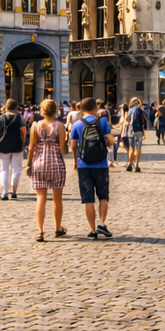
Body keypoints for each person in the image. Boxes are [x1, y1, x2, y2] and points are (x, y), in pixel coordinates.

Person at [69, 97, 113, 239]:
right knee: (103, 196)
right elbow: (111, 140)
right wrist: (108, 143)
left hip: (84, 165)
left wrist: (76, 161)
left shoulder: (77, 124)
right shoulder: (102, 121)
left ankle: (93, 230)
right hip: (101, 164)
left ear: (81, 109)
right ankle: (102, 223)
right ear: (95, 108)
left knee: (88, 198)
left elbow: (73, 145)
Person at [27, 98, 69, 241]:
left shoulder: (36, 125)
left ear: (42, 110)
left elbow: (32, 147)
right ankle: (57, 228)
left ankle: (40, 231)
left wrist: (28, 165)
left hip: (39, 162)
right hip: (56, 162)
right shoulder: (60, 126)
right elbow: (63, 148)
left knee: (41, 197)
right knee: (57, 198)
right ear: (55, 110)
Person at [0, 99, 26, 201]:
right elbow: (23, 132)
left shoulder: (1, 118)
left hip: (4, 145)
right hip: (17, 145)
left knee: (4, 169)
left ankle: (4, 192)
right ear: (16, 107)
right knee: (16, 169)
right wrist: (22, 142)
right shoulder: (19, 118)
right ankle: (14, 191)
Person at [124, 97, 147, 172]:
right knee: (138, 148)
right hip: (138, 131)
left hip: (130, 131)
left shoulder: (130, 110)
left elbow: (126, 120)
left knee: (131, 148)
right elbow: (143, 120)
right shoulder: (140, 109)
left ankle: (129, 164)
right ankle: (137, 165)